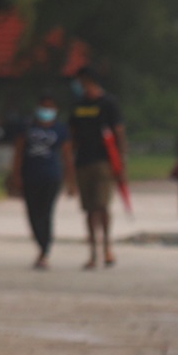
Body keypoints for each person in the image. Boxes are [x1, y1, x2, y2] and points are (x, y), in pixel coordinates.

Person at [66, 66, 124, 269]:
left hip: (103, 162)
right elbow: (71, 136)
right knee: (89, 210)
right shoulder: (78, 105)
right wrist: (69, 168)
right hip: (83, 162)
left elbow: (118, 132)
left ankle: (108, 246)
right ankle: (93, 252)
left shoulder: (108, 103)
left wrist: (120, 163)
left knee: (102, 206)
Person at [4, 93, 70, 269]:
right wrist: (15, 175)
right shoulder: (26, 128)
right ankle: (41, 243)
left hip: (51, 176)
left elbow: (66, 155)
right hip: (30, 176)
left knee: (46, 212)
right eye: (43, 107)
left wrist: (70, 180)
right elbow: (18, 152)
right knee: (33, 213)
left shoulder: (60, 129)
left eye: (50, 108)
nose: (46, 112)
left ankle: (44, 249)